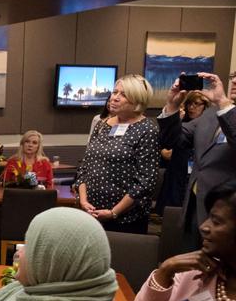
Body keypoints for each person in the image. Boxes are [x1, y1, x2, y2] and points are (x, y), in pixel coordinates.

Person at [157, 71, 235, 250]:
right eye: (233, 77)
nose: (235, 81)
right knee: (192, 263)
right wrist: (172, 106)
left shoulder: (223, 110)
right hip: (194, 207)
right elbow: (174, 140)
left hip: (228, 216)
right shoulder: (211, 114)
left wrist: (223, 102)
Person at [76, 74, 160, 234]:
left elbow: (146, 181)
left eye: (123, 95)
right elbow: (84, 167)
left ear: (137, 100)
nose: (114, 98)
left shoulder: (147, 130)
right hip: (90, 214)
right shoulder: (101, 125)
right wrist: (83, 201)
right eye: (115, 92)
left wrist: (114, 212)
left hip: (126, 220)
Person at [156, 90, 208, 214]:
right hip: (177, 173)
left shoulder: (210, 125)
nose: (191, 107)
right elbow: (165, 143)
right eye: (189, 103)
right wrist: (163, 151)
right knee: (171, 212)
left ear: (205, 106)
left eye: (196, 104)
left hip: (199, 175)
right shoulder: (180, 123)